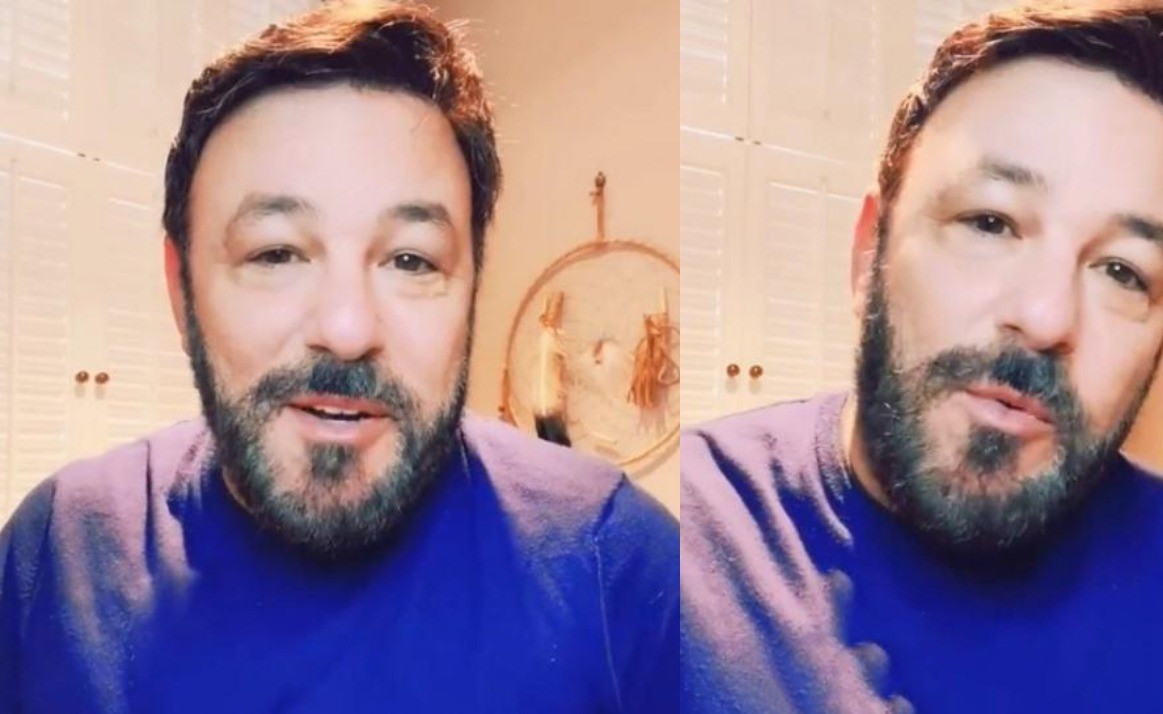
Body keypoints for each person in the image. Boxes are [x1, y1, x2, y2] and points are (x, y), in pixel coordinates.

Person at [0, 3, 677, 712]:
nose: (348, 330)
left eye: (412, 260)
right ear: (181, 291)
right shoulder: (57, 554)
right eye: (276, 253)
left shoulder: (619, 568)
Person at [681, 2, 1163, 712]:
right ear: (869, 254)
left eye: (1122, 271)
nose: (1046, 318)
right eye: (990, 222)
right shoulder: (670, 547)